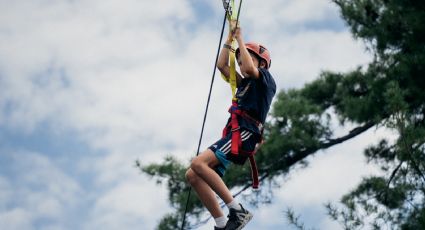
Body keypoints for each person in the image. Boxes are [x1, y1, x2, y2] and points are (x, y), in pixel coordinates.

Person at [185, 21, 276, 230]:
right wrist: (229, 41)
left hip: (246, 132)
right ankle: (221, 222)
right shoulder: (244, 84)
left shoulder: (265, 80)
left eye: (246, 59)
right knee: (193, 174)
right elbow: (222, 66)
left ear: (261, 64)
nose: (241, 65)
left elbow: (249, 68)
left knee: (198, 163)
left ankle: (238, 210)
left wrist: (241, 39)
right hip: (236, 133)